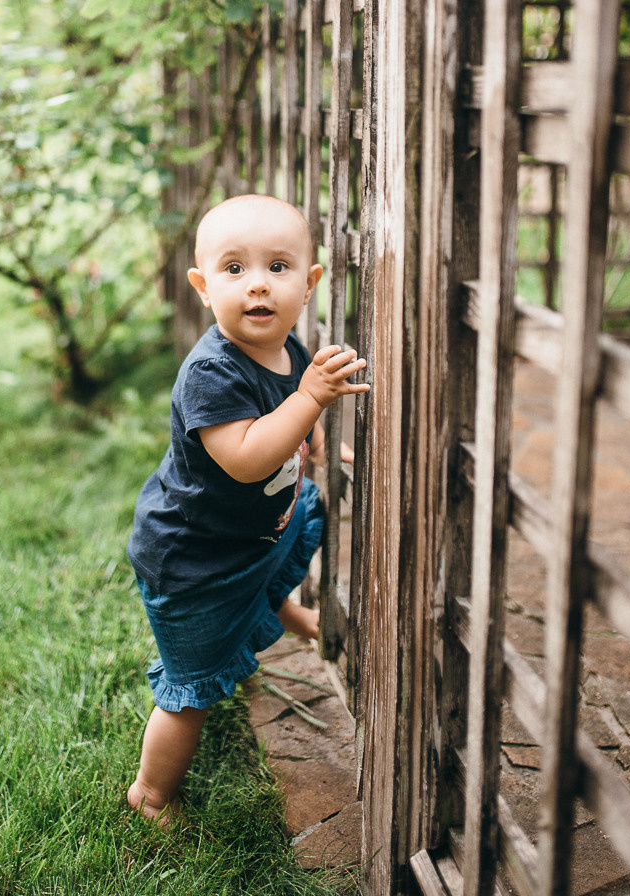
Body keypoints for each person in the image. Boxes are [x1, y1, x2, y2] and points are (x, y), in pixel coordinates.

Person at [126, 193, 369, 822]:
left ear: (309, 283)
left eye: (278, 267)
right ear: (204, 287)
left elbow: (290, 418)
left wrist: (325, 444)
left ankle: (275, 607)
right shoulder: (211, 371)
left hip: (247, 532)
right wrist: (313, 397)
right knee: (190, 692)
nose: (258, 285)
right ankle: (151, 793)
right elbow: (246, 458)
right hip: (193, 558)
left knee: (286, 533)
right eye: (234, 269)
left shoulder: (289, 349)